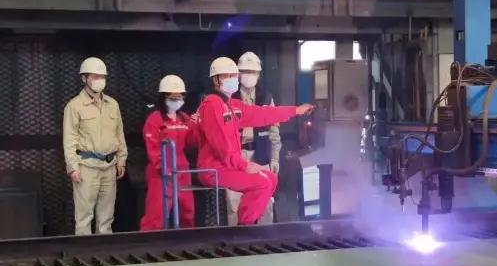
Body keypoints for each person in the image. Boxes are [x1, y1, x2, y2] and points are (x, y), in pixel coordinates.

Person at [194, 57, 313, 225]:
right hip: (213, 169)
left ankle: (248, 223)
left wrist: (296, 110)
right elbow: (222, 147)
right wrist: (245, 165)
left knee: (271, 178)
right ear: (216, 80)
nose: (233, 79)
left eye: (234, 75)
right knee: (262, 183)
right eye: (227, 76)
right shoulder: (212, 104)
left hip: (227, 165)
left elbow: (262, 114)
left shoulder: (232, 105)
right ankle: (245, 227)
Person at [63, 57, 127, 235]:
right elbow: (69, 139)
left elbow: (119, 133)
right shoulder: (74, 106)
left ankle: (104, 251)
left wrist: (121, 160)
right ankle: (84, 252)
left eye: (102, 77)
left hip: (109, 166)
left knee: (106, 219)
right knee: (84, 218)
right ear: (84, 78)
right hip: (86, 168)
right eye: (95, 76)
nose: (100, 80)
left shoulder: (112, 105)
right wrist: (73, 167)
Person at [225, 51, 280, 225]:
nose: (249, 75)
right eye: (245, 71)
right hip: (236, 158)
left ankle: (265, 239)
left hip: (261, 156)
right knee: (234, 204)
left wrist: (275, 158)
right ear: (238, 74)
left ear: (258, 74)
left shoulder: (267, 98)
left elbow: (274, 131)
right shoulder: (228, 98)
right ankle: (236, 240)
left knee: (265, 204)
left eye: (253, 72)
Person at [140, 75, 197, 231]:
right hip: (161, 173)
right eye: (172, 97)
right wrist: (164, 167)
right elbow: (152, 148)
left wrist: (197, 125)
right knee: (156, 214)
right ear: (163, 97)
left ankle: (187, 242)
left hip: (182, 171)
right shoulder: (154, 120)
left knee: (187, 211)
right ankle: (149, 242)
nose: (176, 100)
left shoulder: (184, 118)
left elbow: (192, 142)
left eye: (179, 97)